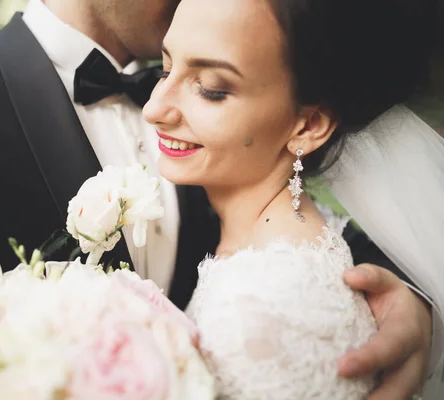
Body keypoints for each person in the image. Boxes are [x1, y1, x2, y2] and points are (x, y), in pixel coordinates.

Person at [0, 0, 437, 397]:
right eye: (185, 74)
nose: (157, 107)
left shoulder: (256, 59)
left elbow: (345, 246)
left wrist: (416, 308)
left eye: (210, 86)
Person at [142, 0, 443, 398]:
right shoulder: (288, 245)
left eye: (212, 90)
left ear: (309, 125)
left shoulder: (259, 310)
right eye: (165, 69)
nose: (152, 108)